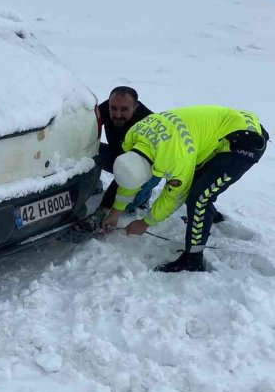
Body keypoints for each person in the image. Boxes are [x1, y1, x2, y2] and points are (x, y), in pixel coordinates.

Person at [102, 106, 269, 272]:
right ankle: (207, 217)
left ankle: (193, 259)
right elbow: (130, 175)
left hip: (245, 140)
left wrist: (145, 223)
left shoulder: (175, 158)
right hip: (225, 127)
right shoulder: (133, 137)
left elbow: (174, 196)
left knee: (199, 198)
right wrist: (116, 211)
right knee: (196, 183)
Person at [98, 86, 157, 213]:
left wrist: (104, 208)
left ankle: (143, 197)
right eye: (113, 108)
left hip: (145, 167)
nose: (117, 114)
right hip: (117, 155)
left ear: (135, 107)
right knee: (91, 152)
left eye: (124, 109)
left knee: (128, 207)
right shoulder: (107, 108)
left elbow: (129, 170)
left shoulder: (147, 125)